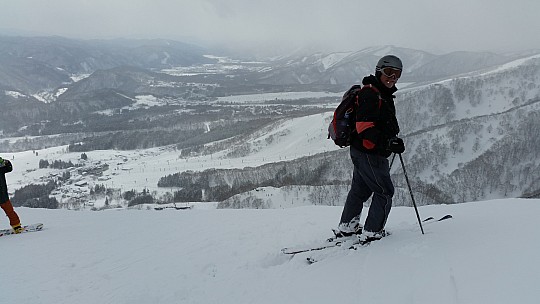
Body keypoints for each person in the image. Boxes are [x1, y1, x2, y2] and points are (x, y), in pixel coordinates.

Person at [334, 55, 405, 242]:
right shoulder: (370, 94)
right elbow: (365, 128)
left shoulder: (380, 93)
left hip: (363, 152)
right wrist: (388, 143)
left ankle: (347, 227)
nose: (393, 77)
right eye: (389, 72)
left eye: (397, 74)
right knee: (384, 192)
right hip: (369, 153)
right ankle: (373, 232)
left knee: (360, 190)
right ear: (379, 71)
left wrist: (390, 140)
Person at [0, 157, 23, 233]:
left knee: (10, 211)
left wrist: (5, 162)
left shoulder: (0, 169)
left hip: (2, 196)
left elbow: (9, 168)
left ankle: (16, 226)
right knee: (10, 211)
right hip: (3, 195)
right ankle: (16, 225)